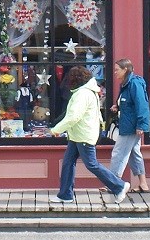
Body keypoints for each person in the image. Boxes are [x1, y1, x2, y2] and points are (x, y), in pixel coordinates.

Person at [49, 65, 130, 204]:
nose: (68, 81)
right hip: (78, 134)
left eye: (70, 78)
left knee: (92, 164)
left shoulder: (82, 94)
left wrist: (56, 129)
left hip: (83, 135)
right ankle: (65, 195)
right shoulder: (87, 91)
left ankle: (119, 186)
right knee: (68, 163)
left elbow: (73, 116)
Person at [108, 58, 150, 193]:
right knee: (134, 154)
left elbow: (142, 106)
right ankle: (143, 184)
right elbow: (129, 104)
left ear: (125, 69)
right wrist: (118, 106)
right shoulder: (126, 84)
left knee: (118, 153)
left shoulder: (134, 84)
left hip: (130, 127)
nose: (115, 72)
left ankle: (115, 184)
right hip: (129, 124)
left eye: (117, 70)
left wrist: (141, 125)